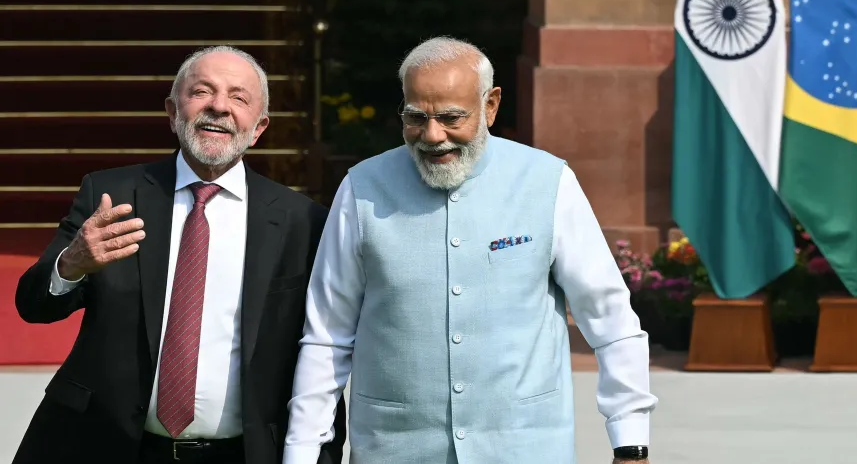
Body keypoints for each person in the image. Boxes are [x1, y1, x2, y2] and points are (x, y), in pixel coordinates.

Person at [282, 36, 658, 464]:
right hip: (395, 449)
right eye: (415, 118)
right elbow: (326, 337)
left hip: (524, 448)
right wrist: (302, 453)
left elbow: (609, 317)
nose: (432, 135)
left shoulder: (547, 182)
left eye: (451, 117)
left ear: (491, 105)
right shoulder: (362, 188)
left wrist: (630, 439)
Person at [13, 46, 345, 464]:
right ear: (172, 112)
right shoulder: (112, 197)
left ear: (259, 127)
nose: (219, 107)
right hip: (101, 444)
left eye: (239, 98)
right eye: (202, 92)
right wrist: (71, 265)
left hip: (239, 454)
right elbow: (33, 306)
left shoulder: (303, 221)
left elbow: (321, 353)